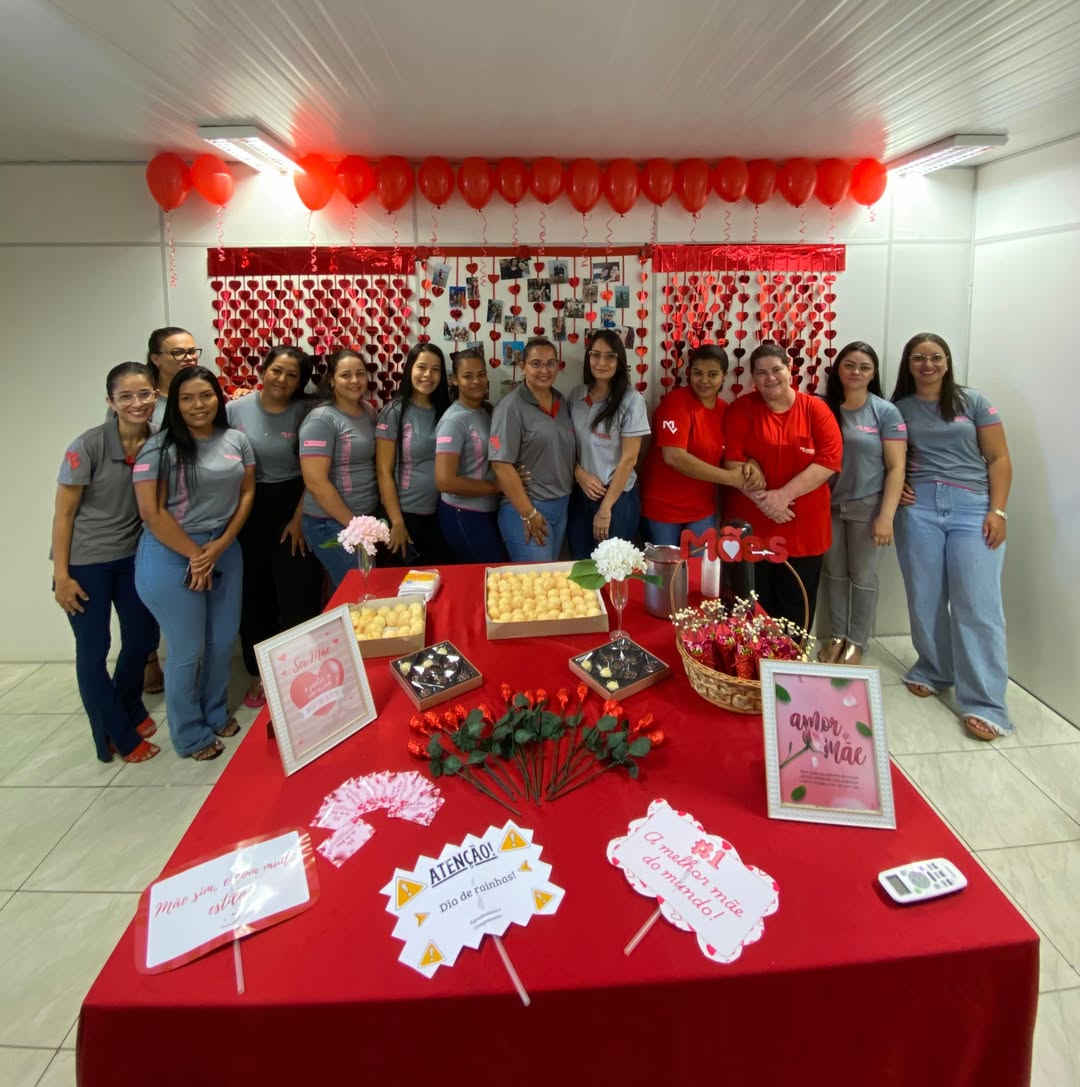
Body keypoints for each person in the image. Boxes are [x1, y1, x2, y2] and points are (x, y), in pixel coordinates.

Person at [891, 333, 1013, 741]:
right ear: (908, 364)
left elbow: (999, 458)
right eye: (919, 357)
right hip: (919, 510)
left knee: (977, 604)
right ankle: (934, 669)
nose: (927, 364)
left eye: (936, 357)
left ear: (947, 362)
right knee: (924, 596)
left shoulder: (973, 402)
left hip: (973, 509)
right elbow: (889, 460)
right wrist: (899, 486)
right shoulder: (898, 409)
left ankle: (986, 703)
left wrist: (998, 511)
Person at [133, 366, 255, 761]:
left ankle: (214, 712)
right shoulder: (159, 448)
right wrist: (196, 555)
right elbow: (152, 513)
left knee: (222, 640)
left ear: (218, 398)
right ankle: (188, 733)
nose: (198, 405)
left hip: (223, 548)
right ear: (175, 404)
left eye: (205, 395)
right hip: (171, 553)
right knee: (187, 649)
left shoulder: (236, 439)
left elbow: (247, 492)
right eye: (187, 398)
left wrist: (221, 545)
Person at [52, 363, 161, 764]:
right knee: (94, 650)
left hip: (132, 557)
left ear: (155, 396)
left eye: (144, 394)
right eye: (126, 396)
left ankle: (129, 705)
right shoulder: (88, 445)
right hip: (86, 564)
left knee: (143, 638)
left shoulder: (158, 441)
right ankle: (116, 733)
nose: (137, 403)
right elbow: (64, 514)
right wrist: (62, 576)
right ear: (110, 402)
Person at [226, 347, 322, 708]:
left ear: (301, 382)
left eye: (292, 375)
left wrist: (299, 518)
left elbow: (315, 471)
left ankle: (302, 671)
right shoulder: (234, 409)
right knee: (254, 594)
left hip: (296, 504)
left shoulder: (308, 412)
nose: (282, 379)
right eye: (276, 371)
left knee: (298, 592)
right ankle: (259, 674)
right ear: (263, 370)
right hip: (247, 506)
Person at [723, 343, 843, 630]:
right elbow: (731, 461)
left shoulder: (815, 409)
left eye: (776, 369)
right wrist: (765, 502)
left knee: (796, 608)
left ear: (790, 370)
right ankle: (753, 660)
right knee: (754, 609)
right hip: (752, 525)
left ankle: (793, 657)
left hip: (803, 528)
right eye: (761, 372)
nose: (770, 378)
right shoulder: (742, 409)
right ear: (753, 377)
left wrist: (782, 497)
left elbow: (829, 460)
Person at [818, 342, 907, 665]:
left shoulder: (885, 412)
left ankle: (857, 642)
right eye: (849, 365)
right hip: (826, 506)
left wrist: (887, 516)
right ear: (838, 369)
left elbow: (896, 467)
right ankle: (837, 636)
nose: (856, 372)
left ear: (873, 374)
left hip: (867, 507)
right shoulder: (822, 407)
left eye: (864, 367)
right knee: (834, 573)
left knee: (863, 577)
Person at [639, 344, 763, 546]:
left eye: (712, 374)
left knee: (701, 566)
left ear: (724, 375)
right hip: (663, 510)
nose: (704, 380)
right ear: (689, 373)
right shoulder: (676, 402)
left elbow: (733, 453)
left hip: (702, 510)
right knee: (665, 566)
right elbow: (674, 457)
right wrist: (730, 478)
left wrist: (751, 465)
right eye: (698, 373)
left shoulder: (725, 410)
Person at [489, 337, 576, 561]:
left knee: (552, 575)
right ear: (523, 367)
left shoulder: (561, 400)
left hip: (562, 505)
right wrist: (529, 513)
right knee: (537, 578)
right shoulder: (510, 407)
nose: (544, 370)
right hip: (528, 507)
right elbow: (500, 464)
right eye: (536, 363)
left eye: (550, 363)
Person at [566, 330, 651, 557]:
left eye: (610, 356)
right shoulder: (576, 396)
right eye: (595, 355)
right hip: (582, 494)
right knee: (580, 564)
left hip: (617, 498)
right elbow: (566, 444)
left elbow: (629, 459)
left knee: (612, 567)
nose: (601, 362)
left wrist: (605, 509)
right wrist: (578, 473)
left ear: (619, 361)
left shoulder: (632, 400)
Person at [299, 348, 379, 588]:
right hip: (330, 523)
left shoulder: (369, 411)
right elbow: (315, 482)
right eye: (346, 375)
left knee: (359, 591)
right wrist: (355, 526)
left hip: (363, 521)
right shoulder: (321, 419)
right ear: (332, 380)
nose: (355, 380)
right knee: (358, 591)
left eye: (360, 373)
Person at [376, 344, 452, 564]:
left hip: (440, 513)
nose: (428, 375)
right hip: (404, 516)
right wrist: (397, 522)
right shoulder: (394, 412)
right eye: (422, 367)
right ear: (410, 369)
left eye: (435, 369)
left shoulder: (446, 411)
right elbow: (383, 471)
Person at [435, 348, 506, 564]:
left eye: (481, 374)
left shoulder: (487, 411)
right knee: (490, 572)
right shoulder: (453, 421)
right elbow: (445, 481)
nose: (476, 381)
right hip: (463, 514)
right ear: (454, 380)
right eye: (467, 376)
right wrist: (495, 487)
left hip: (489, 510)